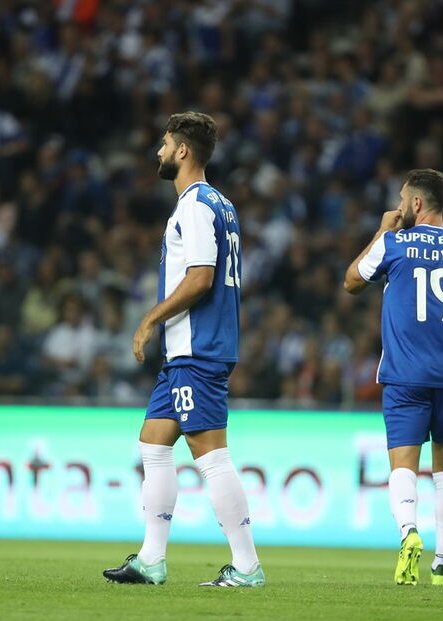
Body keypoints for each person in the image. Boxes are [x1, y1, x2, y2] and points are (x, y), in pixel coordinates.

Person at [103, 112, 264, 588]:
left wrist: (151, 318)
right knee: (153, 444)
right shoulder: (222, 204)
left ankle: (248, 566)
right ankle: (152, 559)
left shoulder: (194, 206)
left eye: (164, 144)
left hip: (199, 348)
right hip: (188, 352)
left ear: (182, 151)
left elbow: (201, 277)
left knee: (211, 456)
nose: (158, 151)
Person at [343, 169, 443, 586]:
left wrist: (380, 231)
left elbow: (352, 281)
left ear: (415, 204)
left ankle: (409, 533)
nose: (397, 207)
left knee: (403, 465)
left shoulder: (395, 243)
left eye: (401, 200)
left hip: (405, 374)